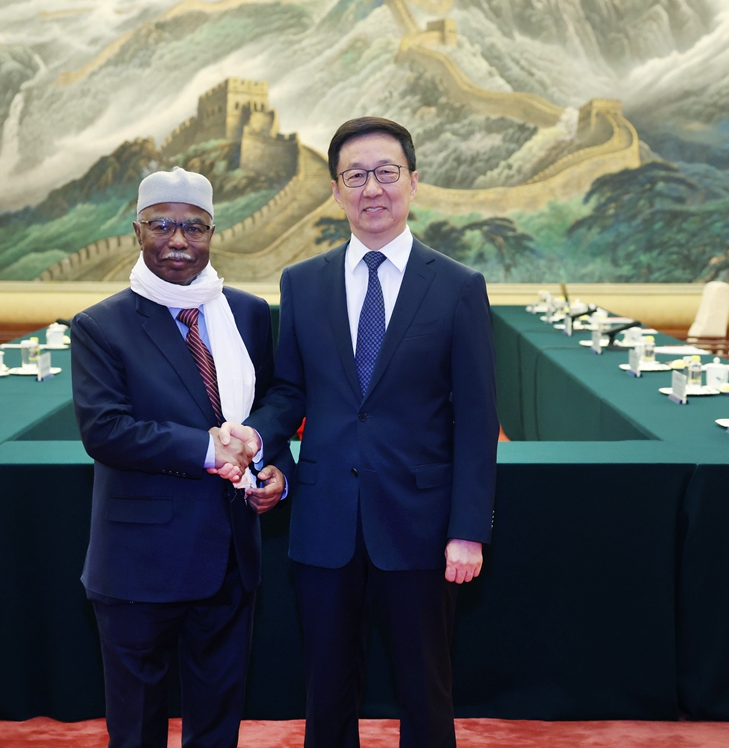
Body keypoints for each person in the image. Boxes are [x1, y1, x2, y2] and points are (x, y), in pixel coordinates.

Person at [220, 117, 498, 747]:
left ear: (413, 182)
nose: (372, 188)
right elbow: (289, 392)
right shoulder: (302, 283)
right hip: (324, 521)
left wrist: (467, 530)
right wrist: (257, 438)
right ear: (336, 190)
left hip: (421, 525)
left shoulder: (458, 287)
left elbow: (478, 420)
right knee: (326, 689)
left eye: (386, 172)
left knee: (425, 690)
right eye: (355, 176)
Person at [70, 167, 292, 748]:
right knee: (137, 728)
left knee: (218, 723)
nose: (178, 240)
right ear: (136, 231)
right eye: (161, 225)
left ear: (212, 232)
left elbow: (273, 402)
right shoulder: (101, 325)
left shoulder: (246, 312)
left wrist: (271, 467)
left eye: (193, 227)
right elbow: (105, 430)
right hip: (140, 563)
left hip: (230, 554)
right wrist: (208, 448)